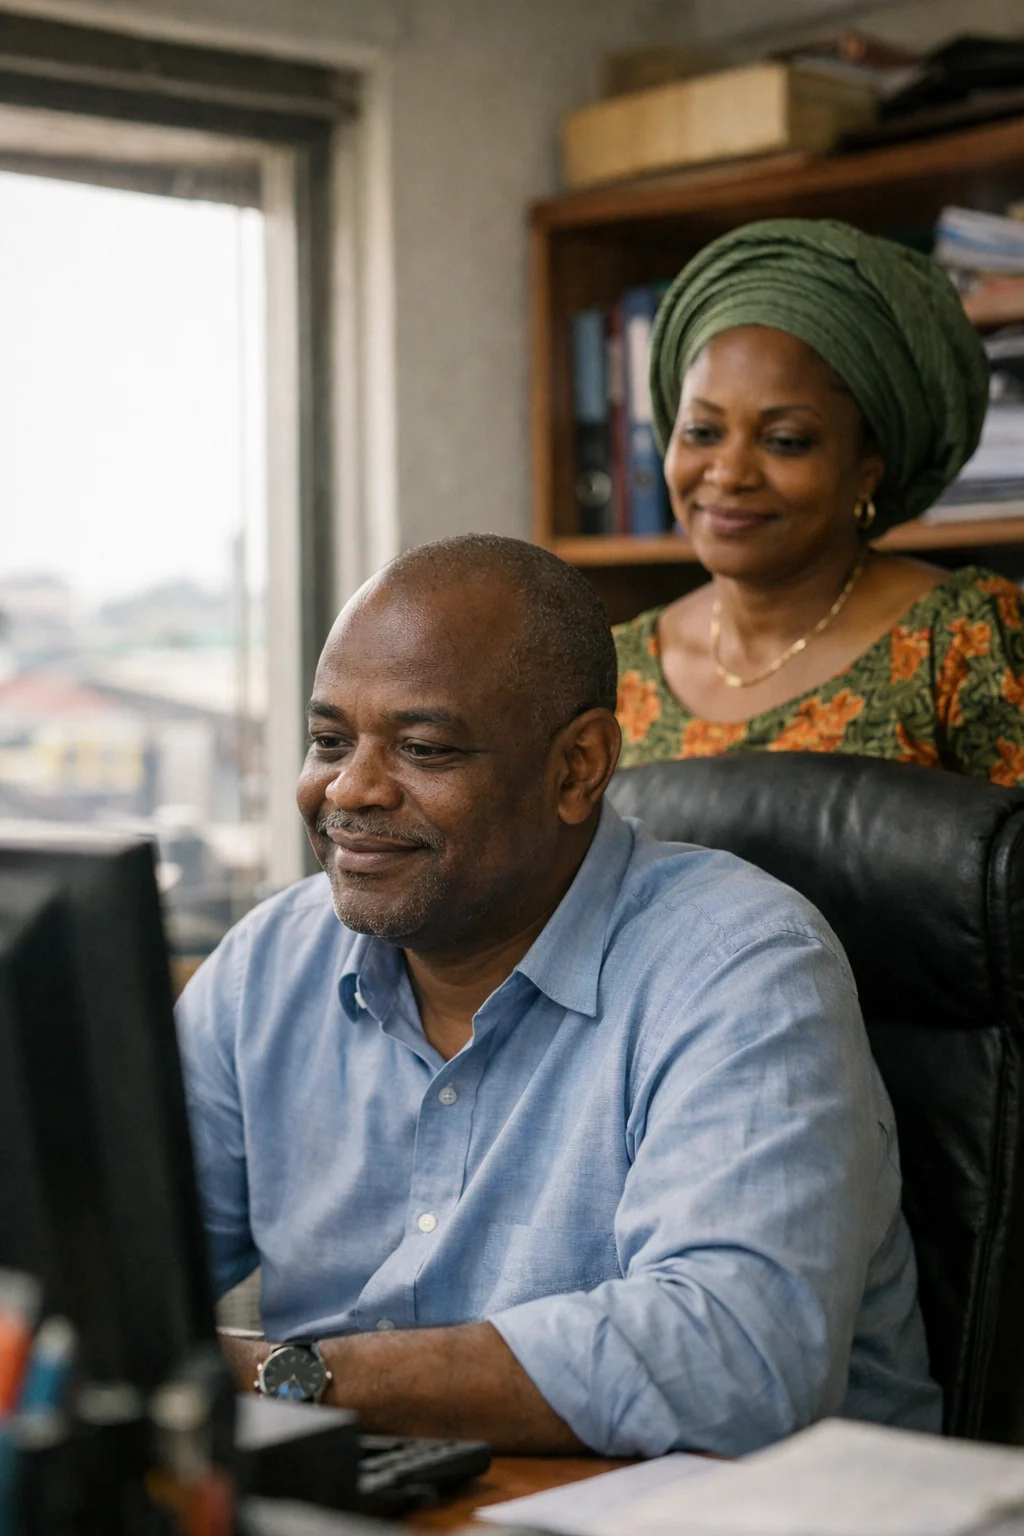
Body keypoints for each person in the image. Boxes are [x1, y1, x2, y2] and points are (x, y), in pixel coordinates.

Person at [177, 533, 938, 1458]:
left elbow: (738, 1362)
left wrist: (285, 1380)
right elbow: (107, 1265)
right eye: (329, 739)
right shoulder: (267, 967)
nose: (350, 787)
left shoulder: (744, 965)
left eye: (422, 748)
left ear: (577, 767)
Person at [614, 218, 1024, 785]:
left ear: (866, 471)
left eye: (785, 441)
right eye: (702, 432)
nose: (729, 473)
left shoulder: (959, 642)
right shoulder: (619, 667)